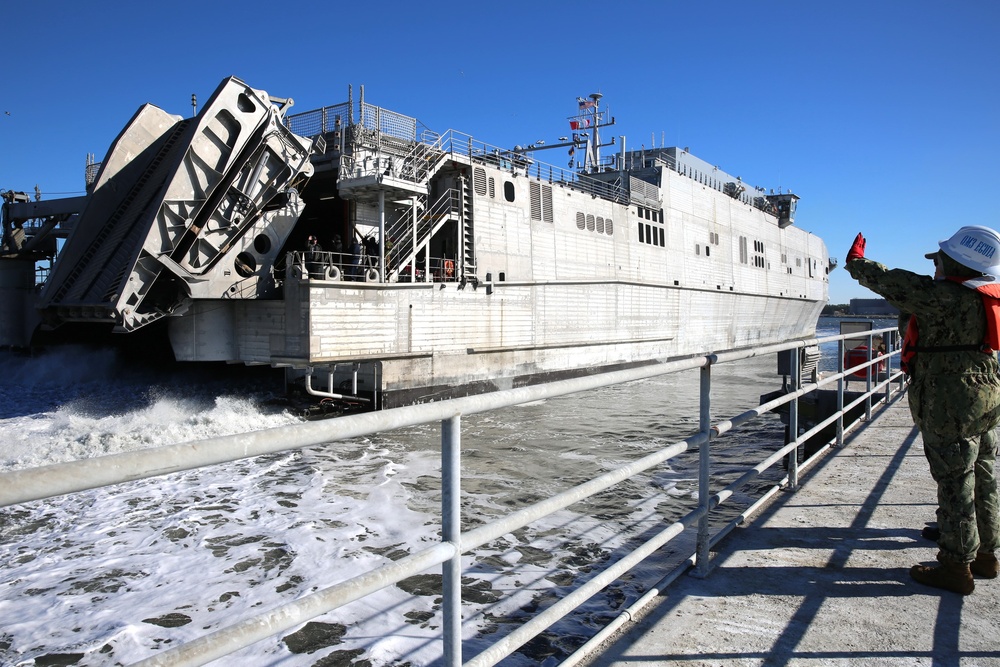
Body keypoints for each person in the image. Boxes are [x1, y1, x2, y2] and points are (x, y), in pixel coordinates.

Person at [845, 227, 1000, 594]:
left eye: (940, 260)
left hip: (951, 400)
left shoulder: (945, 297)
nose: (935, 266)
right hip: (987, 394)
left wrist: (857, 263)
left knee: (955, 482)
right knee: (984, 475)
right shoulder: (986, 297)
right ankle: (988, 555)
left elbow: (893, 282)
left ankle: (955, 566)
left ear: (958, 264)